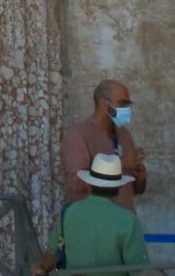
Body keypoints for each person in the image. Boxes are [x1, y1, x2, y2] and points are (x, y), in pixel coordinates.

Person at [33, 152, 150, 276]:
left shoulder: (68, 214)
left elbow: (50, 257)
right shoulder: (127, 220)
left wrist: (41, 268)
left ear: (89, 185)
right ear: (118, 188)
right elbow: (141, 275)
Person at [62, 81, 147, 210]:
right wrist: (120, 164)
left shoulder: (125, 135)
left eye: (128, 104)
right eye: (122, 103)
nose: (127, 109)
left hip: (124, 221)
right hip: (94, 222)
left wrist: (141, 178)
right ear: (104, 104)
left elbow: (134, 189)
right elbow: (76, 184)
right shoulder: (78, 134)